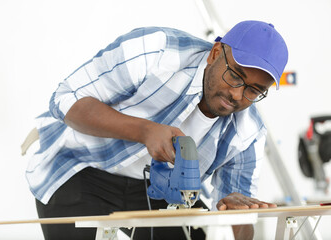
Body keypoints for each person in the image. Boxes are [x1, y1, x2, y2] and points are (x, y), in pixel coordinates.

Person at [25, 20, 288, 240]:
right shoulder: (156, 51)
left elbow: (238, 222)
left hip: (162, 191)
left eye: (254, 90)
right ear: (215, 53)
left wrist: (237, 215)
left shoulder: (248, 132)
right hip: (82, 169)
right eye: (235, 75)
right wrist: (144, 130)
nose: (236, 94)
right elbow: (65, 100)